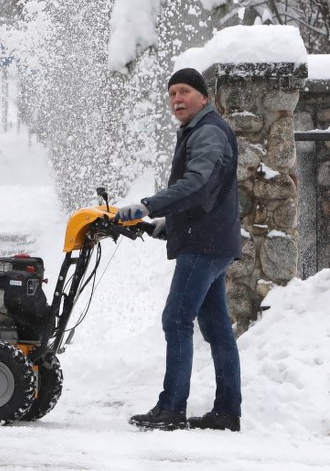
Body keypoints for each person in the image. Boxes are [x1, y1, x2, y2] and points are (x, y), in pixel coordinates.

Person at [115, 67, 243, 433]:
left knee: (176, 319)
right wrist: (167, 225)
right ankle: (226, 412)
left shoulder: (208, 132)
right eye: (172, 94)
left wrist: (148, 205)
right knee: (217, 330)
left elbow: (198, 183)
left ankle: (171, 408)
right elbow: (207, 192)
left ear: (203, 96)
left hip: (204, 245)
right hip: (212, 240)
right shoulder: (200, 130)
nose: (177, 100)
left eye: (184, 91)